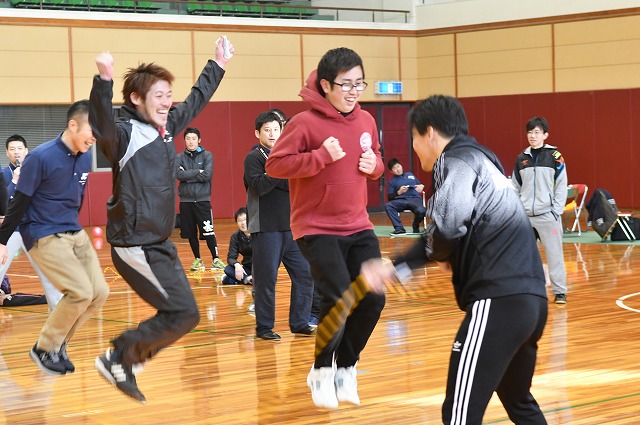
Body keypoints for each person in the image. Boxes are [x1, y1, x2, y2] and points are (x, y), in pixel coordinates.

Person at [360, 95, 548, 424]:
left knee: (459, 415)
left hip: (498, 301)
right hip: (530, 300)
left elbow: (446, 229)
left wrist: (398, 266)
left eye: (414, 139)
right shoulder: (486, 162)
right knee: (519, 402)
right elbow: (464, 232)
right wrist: (442, 256)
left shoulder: (457, 160)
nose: (415, 149)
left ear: (429, 133)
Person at [89, 35, 234, 403]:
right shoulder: (123, 135)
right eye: (159, 95)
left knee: (187, 315)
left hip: (159, 242)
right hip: (134, 244)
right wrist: (103, 80)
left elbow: (197, 99)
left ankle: (124, 360)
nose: (168, 102)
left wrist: (217, 65)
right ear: (136, 99)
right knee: (180, 312)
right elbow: (101, 123)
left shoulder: (166, 128)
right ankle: (120, 356)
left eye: (169, 95)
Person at [265, 47, 386, 409]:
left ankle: (345, 367)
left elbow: (377, 160)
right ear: (325, 85)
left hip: (359, 224)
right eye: (345, 84)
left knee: (374, 298)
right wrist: (320, 157)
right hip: (316, 226)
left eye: (359, 84)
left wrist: (374, 166)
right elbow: (275, 165)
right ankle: (320, 370)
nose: (353, 91)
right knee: (337, 295)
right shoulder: (304, 123)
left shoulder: (366, 121)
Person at [0, 100, 110, 376]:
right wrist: (2, 240)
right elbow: (20, 200)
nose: (94, 136)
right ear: (73, 125)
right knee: (79, 292)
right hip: (42, 232)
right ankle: (44, 347)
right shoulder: (42, 156)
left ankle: (57, 345)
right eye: (90, 129)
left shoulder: (85, 155)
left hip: (73, 230)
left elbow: (79, 196)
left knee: (98, 293)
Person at [244, 110, 315, 341]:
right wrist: (281, 171)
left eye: (276, 129)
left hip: (293, 227)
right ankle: (264, 327)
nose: (272, 133)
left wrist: (278, 172)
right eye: (267, 130)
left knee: (305, 274)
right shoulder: (254, 158)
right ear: (258, 133)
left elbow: (297, 185)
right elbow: (259, 186)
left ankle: (300, 321)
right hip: (266, 228)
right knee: (266, 280)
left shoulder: (288, 156)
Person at [0, 134, 63, 312]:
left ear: (26, 151)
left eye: (19, 148)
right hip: (9, 232)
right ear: (7, 153)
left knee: (48, 276)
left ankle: (57, 317)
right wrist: (14, 182)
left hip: (33, 230)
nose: (16, 152)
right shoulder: (4, 175)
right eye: (12, 149)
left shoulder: (37, 172)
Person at [512, 116, 568, 304]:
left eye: (537, 132)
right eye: (529, 132)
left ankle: (560, 291)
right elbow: (515, 188)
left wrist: (556, 211)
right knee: (522, 256)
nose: (532, 136)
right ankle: (526, 290)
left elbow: (561, 185)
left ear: (545, 135)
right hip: (525, 217)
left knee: (554, 254)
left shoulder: (555, 157)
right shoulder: (521, 159)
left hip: (547, 216)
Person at [176, 127, 225, 272]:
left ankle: (216, 259)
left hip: (202, 201)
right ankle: (198, 260)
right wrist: (198, 172)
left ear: (199, 140)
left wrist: (188, 176)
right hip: (186, 201)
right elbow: (179, 175)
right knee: (191, 233)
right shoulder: (179, 157)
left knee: (208, 231)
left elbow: (207, 176)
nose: (191, 142)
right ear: (184, 140)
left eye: (193, 139)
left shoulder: (207, 156)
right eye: (188, 139)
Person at [384, 157, 426, 234]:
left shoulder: (410, 175)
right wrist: (398, 192)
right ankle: (399, 228)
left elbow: (420, 184)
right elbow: (390, 197)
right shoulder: (391, 182)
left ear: (401, 166)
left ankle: (415, 225)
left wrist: (422, 185)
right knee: (388, 206)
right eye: (394, 168)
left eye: (398, 166)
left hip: (415, 199)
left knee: (422, 211)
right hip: (401, 201)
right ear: (391, 171)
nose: (398, 169)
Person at [222, 207, 252, 285]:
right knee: (228, 269)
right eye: (240, 220)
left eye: (245, 219)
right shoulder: (235, 236)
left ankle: (240, 279)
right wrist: (237, 264)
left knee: (226, 280)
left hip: (261, 267)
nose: (243, 223)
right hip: (247, 267)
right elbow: (231, 257)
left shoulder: (259, 234)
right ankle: (248, 279)